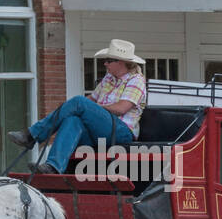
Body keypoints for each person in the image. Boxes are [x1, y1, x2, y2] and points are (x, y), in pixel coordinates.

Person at [9, 38, 147, 173]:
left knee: (79, 102)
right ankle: (53, 167)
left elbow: (121, 108)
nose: (105, 63)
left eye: (109, 60)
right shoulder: (109, 78)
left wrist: (87, 107)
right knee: (72, 119)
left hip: (121, 132)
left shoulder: (136, 80)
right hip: (101, 131)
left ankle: (32, 135)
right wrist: (74, 109)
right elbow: (91, 99)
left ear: (122, 63)